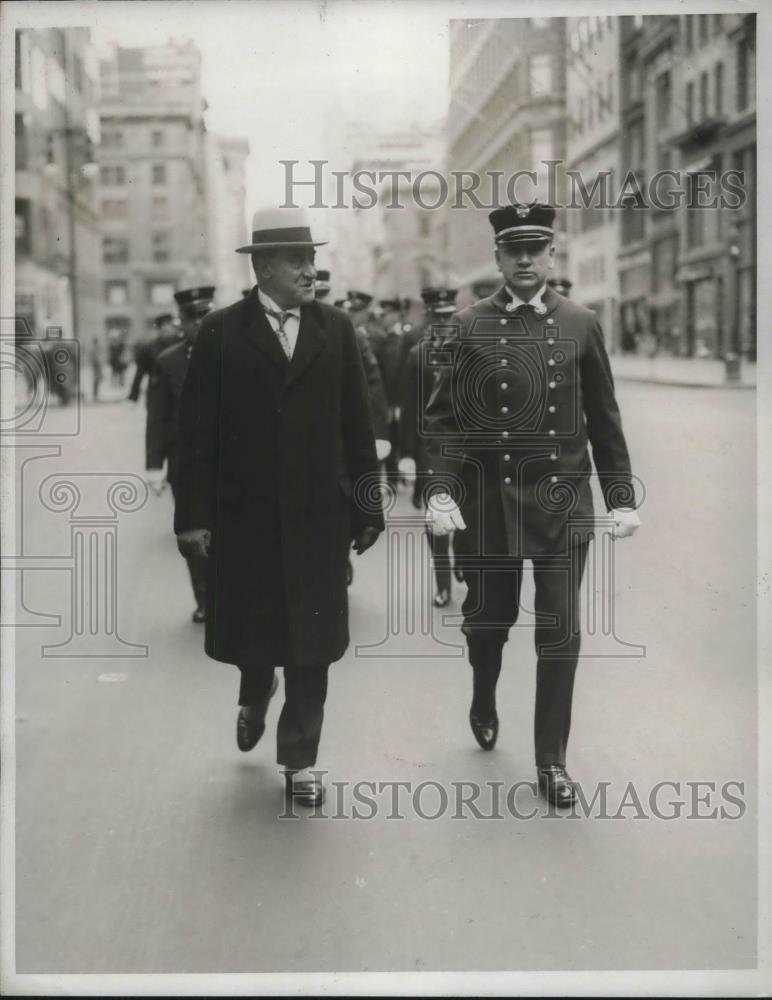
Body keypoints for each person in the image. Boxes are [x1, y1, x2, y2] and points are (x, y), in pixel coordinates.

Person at [424, 201, 641, 807]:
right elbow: (443, 421)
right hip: (492, 506)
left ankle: (552, 761)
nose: (525, 260)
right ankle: (484, 693)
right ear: (497, 258)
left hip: (562, 505)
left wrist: (620, 498)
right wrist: (440, 488)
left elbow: (604, 418)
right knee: (489, 623)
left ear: (551, 255)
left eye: (536, 250)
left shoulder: (581, 322)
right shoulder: (467, 326)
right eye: (513, 251)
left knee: (560, 631)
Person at [173, 208, 384, 807]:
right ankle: (254, 691)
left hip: (320, 516)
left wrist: (368, 506)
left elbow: (357, 424)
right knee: (260, 636)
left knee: (313, 644)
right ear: (262, 267)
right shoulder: (220, 331)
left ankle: (300, 760)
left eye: (311, 258)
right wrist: (192, 516)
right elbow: (195, 432)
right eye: (296, 260)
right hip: (248, 519)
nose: (309, 270)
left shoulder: (337, 328)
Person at [315, 272, 390, 586]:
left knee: (339, 504)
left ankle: (339, 558)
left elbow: (371, 386)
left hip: (339, 440)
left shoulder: (347, 333)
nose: (317, 302)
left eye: (322, 296)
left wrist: (380, 434)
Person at [145, 286, 215, 624]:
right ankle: (204, 599)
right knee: (193, 531)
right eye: (194, 318)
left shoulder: (234, 352)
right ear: (182, 323)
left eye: (207, 316)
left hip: (229, 462)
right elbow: (157, 415)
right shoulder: (168, 361)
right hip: (185, 466)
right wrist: (154, 465)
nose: (202, 324)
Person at [400, 287, 463, 608]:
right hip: (431, 450)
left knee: (470, 516)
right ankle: (443, 584)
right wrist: (407, 456)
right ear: (428, 317)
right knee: (436, 522)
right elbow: (410, 408)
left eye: (448, 315)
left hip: (466, 450)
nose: (443, 321)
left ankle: (463, 560)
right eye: (437, 316)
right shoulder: (417, 355)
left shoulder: (469, 349)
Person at [128, 313, 180, 403]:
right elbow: (139, 373)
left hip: (178, 392)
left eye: (172, 326)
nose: (171, 329)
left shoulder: (180, 344)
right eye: (167, 325)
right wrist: (133, 395)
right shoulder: (149, 347)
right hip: (157, 392)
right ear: (160, 328)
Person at [87, 336, 105, 402]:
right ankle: (95, 395)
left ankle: (95, 395)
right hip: (96, 366)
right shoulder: (94, 349)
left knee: (97, 381)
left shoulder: (95, 349)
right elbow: (95, 358)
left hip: (96, 366)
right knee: (96, 381)